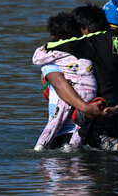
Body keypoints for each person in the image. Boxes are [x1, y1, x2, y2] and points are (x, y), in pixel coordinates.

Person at [45, 0, 118, 149]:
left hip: (74, 127)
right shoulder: (114, 48)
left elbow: (60, 83)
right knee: (115, 130)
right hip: (112, 103)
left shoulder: (59, 59)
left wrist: (47, 47)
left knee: (95, 138)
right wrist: (117, 107)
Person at [33, 11, 99, 151]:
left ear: (54, 36)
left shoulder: (56, 52)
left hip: (71, 91)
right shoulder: (88, 46)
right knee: (82, 124)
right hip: (90, 90)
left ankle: (40, 145)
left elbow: (36, 58)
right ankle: (73, 146)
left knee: (55, 121)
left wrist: (47, 46)